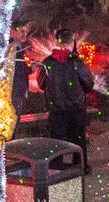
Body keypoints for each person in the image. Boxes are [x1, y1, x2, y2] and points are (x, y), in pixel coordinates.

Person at [37, 26, 94, 171]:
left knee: (57, 140)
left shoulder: (48, 62)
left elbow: (41, 83)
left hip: (56, 109)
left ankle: (57, 168)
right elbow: (88, 83)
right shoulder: (77, 62)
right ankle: (79, 166)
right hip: (76, 108)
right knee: (78, 139)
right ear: (72, 43)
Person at [10, 21, 32, 117]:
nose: (25, 35)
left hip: (16, 92)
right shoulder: (12, 48)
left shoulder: (18, 48)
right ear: (13, 32)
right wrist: (30, 69)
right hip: (14, 92)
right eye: (22, 31)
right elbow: (17, 70)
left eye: (26, 32)